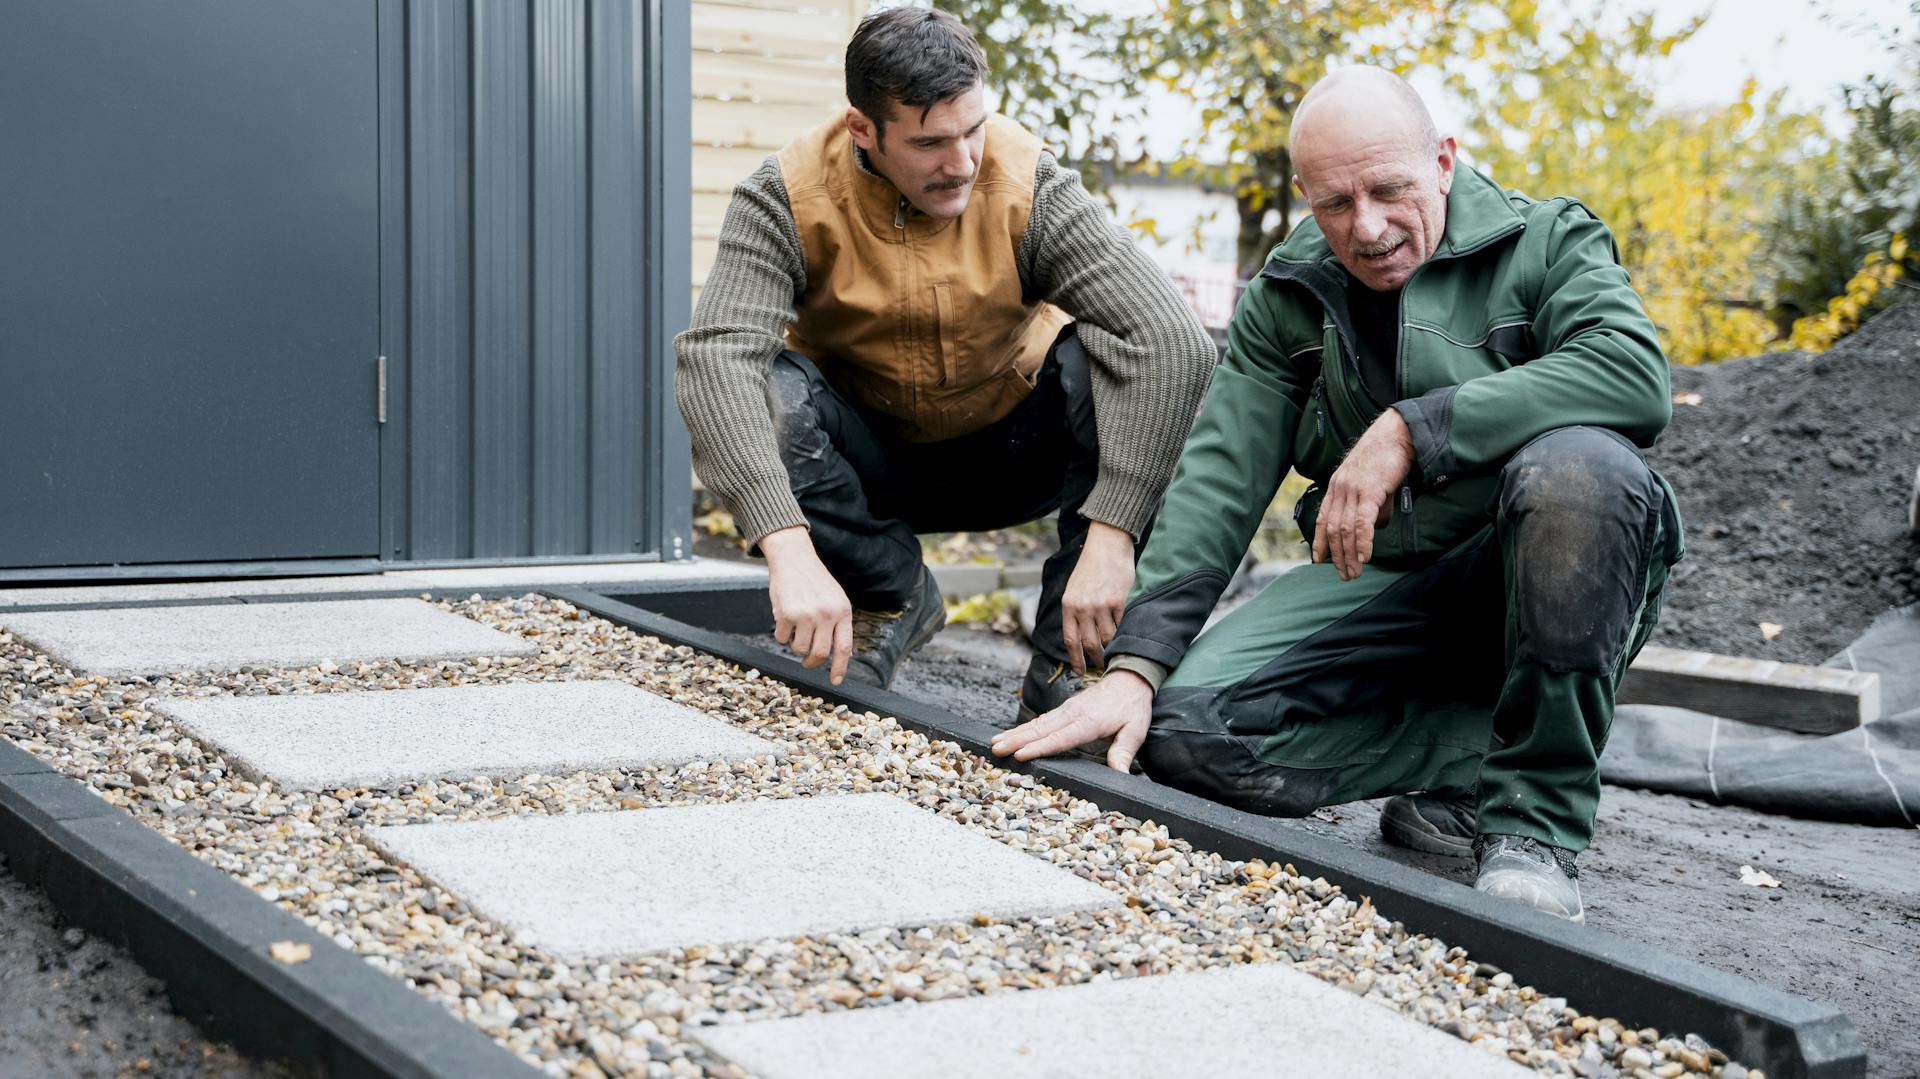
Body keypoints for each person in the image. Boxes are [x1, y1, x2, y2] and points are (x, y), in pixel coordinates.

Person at [993, 67, 1684, 923]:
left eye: (1389, 189)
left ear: (1442, 159)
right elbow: (1219, 477)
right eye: (1334, 202)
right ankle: (1473, 760)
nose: (1366, 227)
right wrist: (1137, 667)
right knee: (1184, 734)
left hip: (1541, 570)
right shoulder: (1289, 292)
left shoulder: (1547, 242)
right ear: (1304, 196)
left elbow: (1632, 377)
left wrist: (1410, 429)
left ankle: (1533, 821)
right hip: (1389, 577)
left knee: (1583, 467)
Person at [675, 8, 1215, 710]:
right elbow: (717, 357)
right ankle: (889, 594)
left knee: (1101, 359)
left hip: (1015, 449)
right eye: (930, 143)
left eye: (972, 130)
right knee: (762, 388)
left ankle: (1068, 664)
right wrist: (786, 545)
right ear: (862, 129)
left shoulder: (1031, 184)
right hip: (874, 465)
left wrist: (1113, 533)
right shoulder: (784, 195)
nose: (961, 163)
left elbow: (1171, 339)